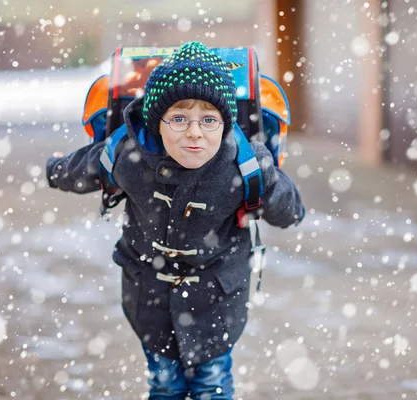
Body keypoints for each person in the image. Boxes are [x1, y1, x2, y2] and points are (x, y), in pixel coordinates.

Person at [46, 41, 305, 399]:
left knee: (211, 383)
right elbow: (83, 167)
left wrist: (272, 185)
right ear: (156, 122)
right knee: (164, 383)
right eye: (179, 118)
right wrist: (55, 169)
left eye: (209, 119)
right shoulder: (126, 155)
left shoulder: (246, 164)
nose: (195, 132)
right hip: (149, 292)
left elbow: (291, 210)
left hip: (216, 294)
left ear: (225, 125)